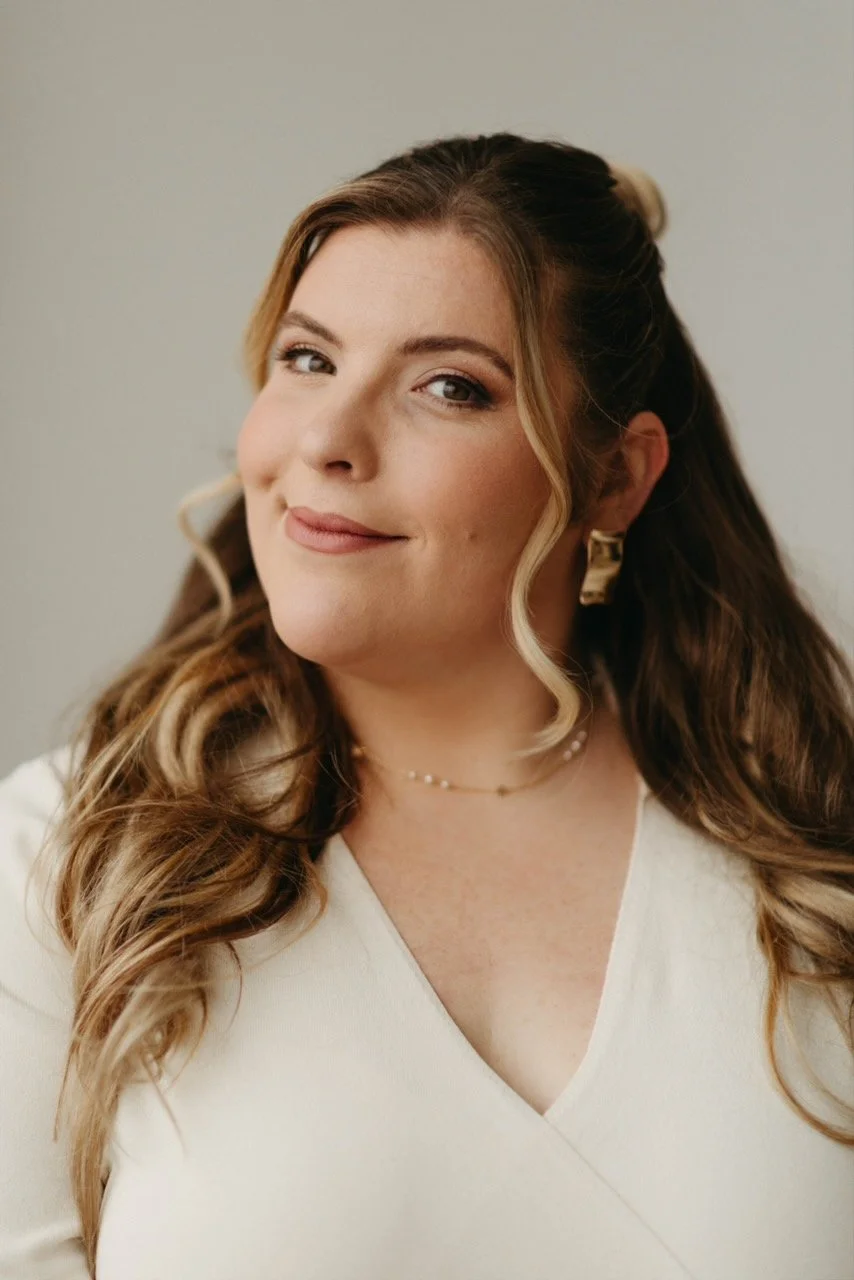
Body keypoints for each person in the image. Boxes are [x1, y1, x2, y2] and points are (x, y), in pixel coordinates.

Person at [1, 132, 852, 1280]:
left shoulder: (810, 867)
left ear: (613, 476)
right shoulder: (61, 864)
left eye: (447, 386)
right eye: (307, 359)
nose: (325, 439)